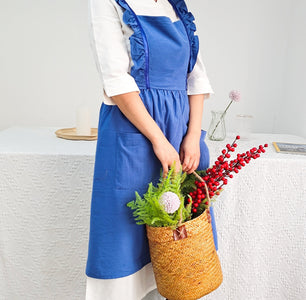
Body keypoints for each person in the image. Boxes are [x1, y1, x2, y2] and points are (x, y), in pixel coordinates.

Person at [85, 0, 216, 299]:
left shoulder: (176, 7)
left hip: (181, 132)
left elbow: (196, 78)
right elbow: (116, 80)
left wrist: (193, 135)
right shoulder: (107, 2)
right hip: (133, 130)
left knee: (177, 247)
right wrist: (158, 140)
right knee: (122, 239)